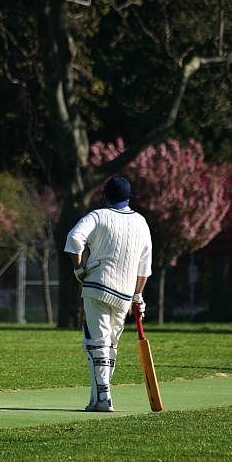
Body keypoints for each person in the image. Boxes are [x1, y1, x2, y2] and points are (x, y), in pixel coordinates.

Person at [64, 176, 152, 412]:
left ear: (105, 196)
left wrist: (78, 269)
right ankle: (98, 397)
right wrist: (138, 295)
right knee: (109, 343)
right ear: (128, 197)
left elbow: (74, 238)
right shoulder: (142, 222)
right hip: (124, 293)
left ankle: (103, 395)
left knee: (97, 341)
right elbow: (144, 267)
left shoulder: (98, 215)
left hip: (97, 286)